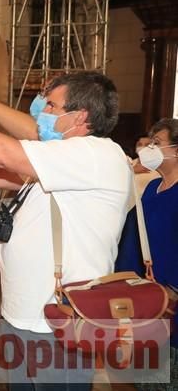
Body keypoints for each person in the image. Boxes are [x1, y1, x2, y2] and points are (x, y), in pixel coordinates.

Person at [0, 71, 132, 390]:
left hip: (61, 324)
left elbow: (4, 152)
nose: (42, 113)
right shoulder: (59, 162)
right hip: (26, 316)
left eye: (51, 106)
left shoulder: (96, 154)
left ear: (80, 116)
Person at [116, 118, 178, 387]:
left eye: (157, 143)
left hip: (172, 298)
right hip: (148, 299)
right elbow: (134, 238)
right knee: (146, 378)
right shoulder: (152, 188)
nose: (150, 148)